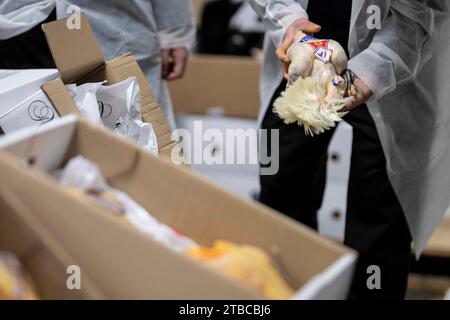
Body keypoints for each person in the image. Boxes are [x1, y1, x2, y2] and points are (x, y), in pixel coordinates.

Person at [249, 0, 450, 299]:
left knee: (379, 210)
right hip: (304, 51)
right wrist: (290, 22)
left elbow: (419, 16)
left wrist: (369, 73)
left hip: (394, 67)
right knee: (282, 189)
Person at [0, 0, 196, 129]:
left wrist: (175, 28)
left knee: (129, 129)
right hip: (20, 20)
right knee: (26, 136)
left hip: (112, 21)